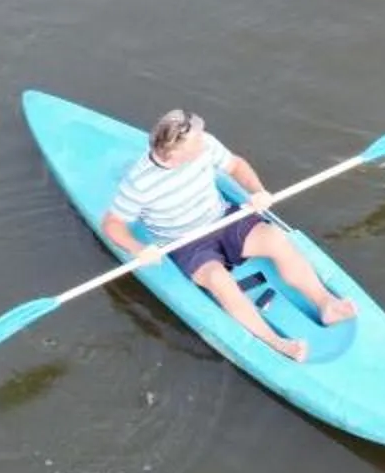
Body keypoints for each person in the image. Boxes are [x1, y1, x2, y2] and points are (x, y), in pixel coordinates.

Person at [101, 110, 356, 361]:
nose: (204, 141)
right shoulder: (139, 183)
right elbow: (112, 224)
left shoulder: (205, 145)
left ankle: (326, 304)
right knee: (218, 279)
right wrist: (138, 249)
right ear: (175, 154)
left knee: (275, 238)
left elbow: (236, 165)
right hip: (185, 242)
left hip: (223, 218)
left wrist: (258, 192)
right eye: (197, 141)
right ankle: (276, 342)